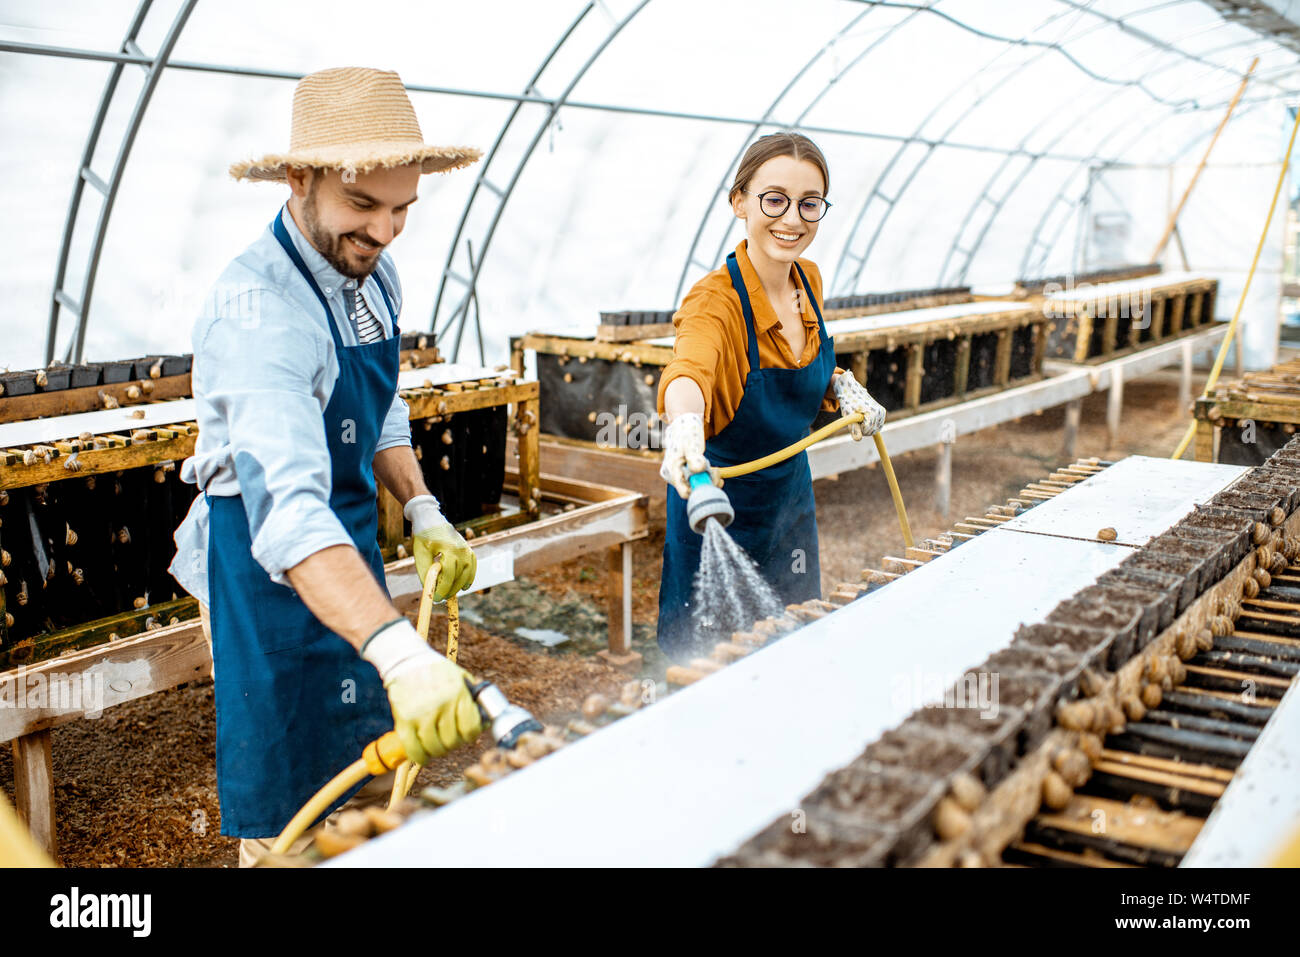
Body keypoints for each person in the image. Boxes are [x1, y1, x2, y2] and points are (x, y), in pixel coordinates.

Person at [170, 67, 483, 866]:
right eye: (362, 206)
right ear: (299, 180)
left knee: (363, 778)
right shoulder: (257, 313)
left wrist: (421, 508)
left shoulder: (374, 278)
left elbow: (376, 405)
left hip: (345, 544)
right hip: (264, 565)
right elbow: (287, 512)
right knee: (290, 809)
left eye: (402, 210)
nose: (383, 234)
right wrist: (403, 650)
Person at [656, 132, 886, 660]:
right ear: (739, 202)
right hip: (716, 505)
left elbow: (801, 362)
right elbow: (690, 369)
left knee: (797, 648)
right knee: (705, 664)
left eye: (810, 204)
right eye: (774, 199)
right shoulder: (715, 300)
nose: (793, 219)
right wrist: (685, 427)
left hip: (790, 502)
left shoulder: (808, 279)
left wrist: (839, 387)